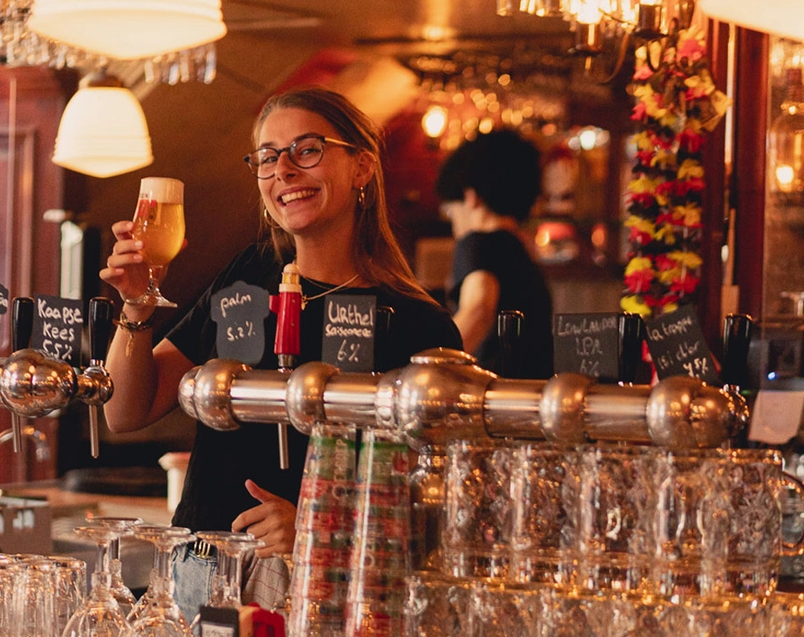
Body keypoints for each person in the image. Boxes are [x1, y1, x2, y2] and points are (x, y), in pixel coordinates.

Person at [100, 86, 463, 619]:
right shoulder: (250, 272)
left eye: (307, 150)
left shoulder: (417, 323)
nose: (285, 171)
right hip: (199, 567)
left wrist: (318, 527)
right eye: (268, 157)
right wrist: (136, 305)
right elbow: (125, 411)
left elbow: (434, 506)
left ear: (362, 167)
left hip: (320, 581)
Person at [436, 129, 554, 379]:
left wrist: (429, 370)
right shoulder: (520, 252)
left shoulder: (478, 242)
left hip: (495, 392)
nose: (453, 223)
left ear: (471, 197)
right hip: (531, 391)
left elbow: (479, 309)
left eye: (451, 211)